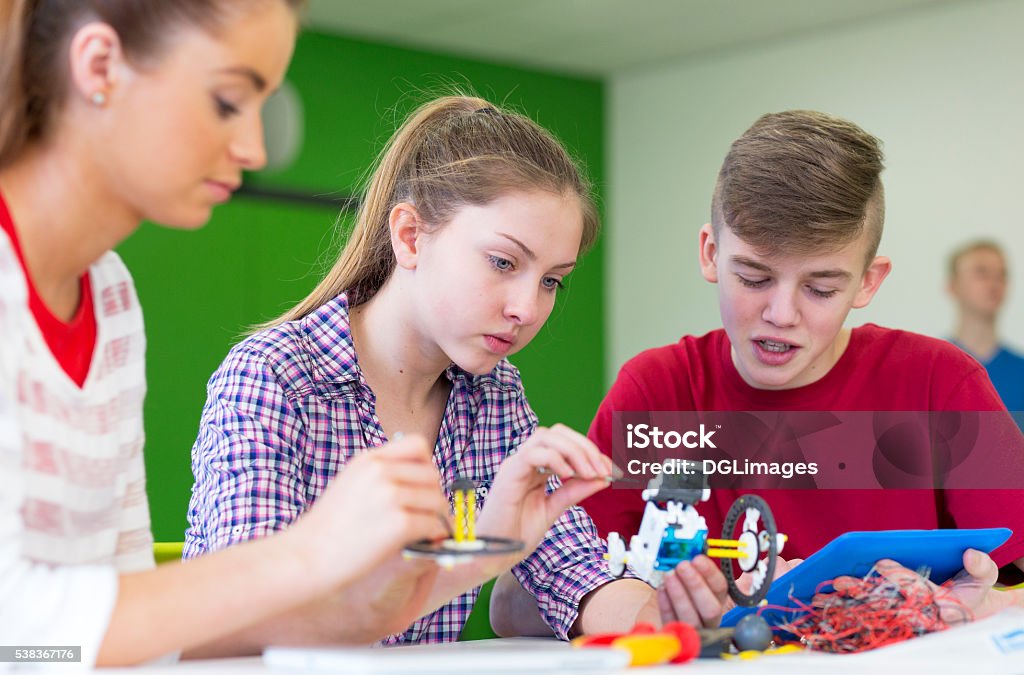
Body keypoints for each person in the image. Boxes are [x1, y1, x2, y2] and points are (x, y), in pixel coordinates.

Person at [0, 0, 454, 666]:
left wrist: (354, 611)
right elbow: (20, 629)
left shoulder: (112, 297)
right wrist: (305, 552)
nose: (255, 149)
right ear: (99, 65)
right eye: (226, 101)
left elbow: (108, 620)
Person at [184, 95, 721, 651]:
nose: (528, 309)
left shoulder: (493, 394)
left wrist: (685, 612)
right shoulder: (273, 377)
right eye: (503, 262)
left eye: (552, 280)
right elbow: (246, 625)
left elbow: (576, 574)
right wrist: (482, 549)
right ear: (411, 237)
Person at [577, 110, 1024, 625]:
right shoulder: (657, 393)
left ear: (867, 283)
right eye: (753, 277)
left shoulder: (938, 383)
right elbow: (534, 599)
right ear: (710, 253)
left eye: (820, 289)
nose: (781, 315)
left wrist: (991, 605)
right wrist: (648, 603)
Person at [948, 240, 1024, 415]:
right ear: (953, 286)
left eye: (1001, 275)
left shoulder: (1020, 372)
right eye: (981, 273)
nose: (994, 283)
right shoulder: (930, 368)